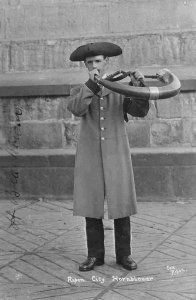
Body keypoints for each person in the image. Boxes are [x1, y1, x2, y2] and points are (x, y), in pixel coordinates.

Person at [67, 42, 149, 271]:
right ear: (85, 65)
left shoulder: (120, 88)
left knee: (121, 202)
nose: (95, 65)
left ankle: (124, 255)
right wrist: (91, 85)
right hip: (90, 153)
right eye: (90, 63)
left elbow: (139, 111)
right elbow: (76, 108)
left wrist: (138, 84)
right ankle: (95, 256)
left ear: (106, 62)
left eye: (98, 61)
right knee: (90, 204)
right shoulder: (80, 89)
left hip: (116, 151)